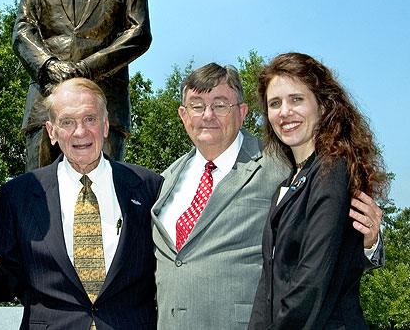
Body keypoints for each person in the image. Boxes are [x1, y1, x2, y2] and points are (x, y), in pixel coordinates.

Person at [151, 62, 384, 329]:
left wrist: (370, 243)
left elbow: (322, 253)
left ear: (242, 112)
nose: (207, 115)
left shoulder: (284, 164)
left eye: (220, 104)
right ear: (183, 114)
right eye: (197, 105)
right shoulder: (165, 179)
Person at [0, 78, 163, 329]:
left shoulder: (148, 186)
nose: (80, 132)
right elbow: (5, 282)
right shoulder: (18, 194)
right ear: (51, 131)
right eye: (67, 122)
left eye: (90, 119)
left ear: (105, 125)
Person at [248, 53, 389, 329]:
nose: (284, 111)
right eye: (275, 103)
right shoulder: (287, 184)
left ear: (323, 106)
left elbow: (311, 280)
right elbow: (268, 287)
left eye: (296, 99)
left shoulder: (332, 171)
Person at [13, 0, 151, 170]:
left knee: (107, 192)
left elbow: (139, 33)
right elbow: (22, 29)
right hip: (47, 99)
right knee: (38, 195)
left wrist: (87, 67)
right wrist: (49, 65)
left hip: (106, 102)